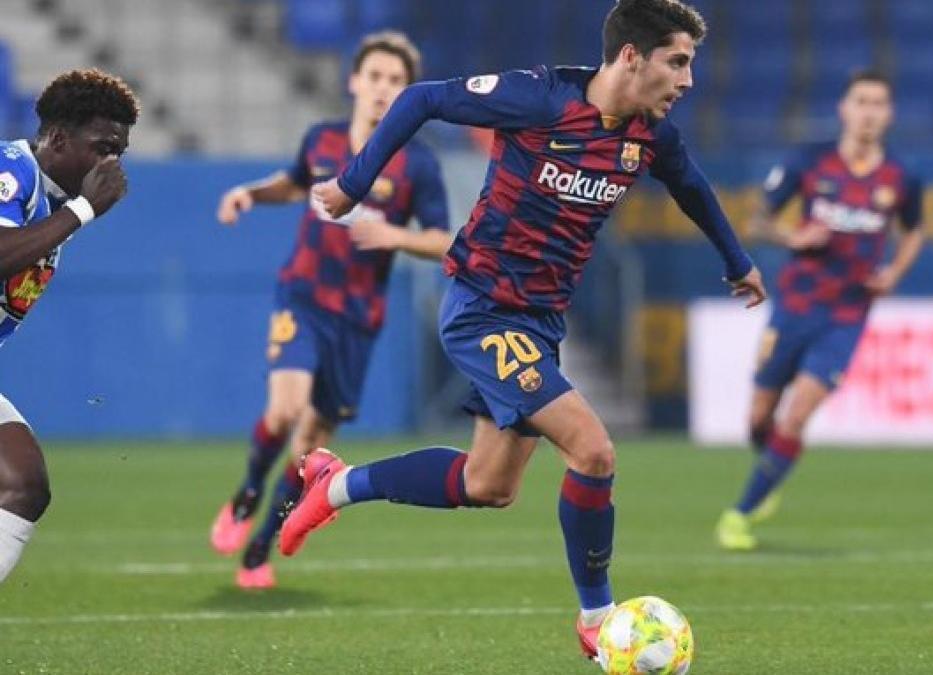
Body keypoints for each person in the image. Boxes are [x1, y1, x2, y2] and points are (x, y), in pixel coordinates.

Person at [281, 0, 766, 660]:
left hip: (539, 321)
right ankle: (596, 614)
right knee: (594, 451)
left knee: (489, 485)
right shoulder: (538, 99)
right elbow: (422, 99)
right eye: (677, 62)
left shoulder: (651, 135)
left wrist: (737, 262)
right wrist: (352, 181)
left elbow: (693, 188)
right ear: (632, 57)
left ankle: (334, 483)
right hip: (482, 307)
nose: (687, 81)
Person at [207, 32, 452, 590]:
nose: (383, 89)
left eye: (396, 80)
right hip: (304, 294)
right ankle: (246, 493)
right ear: (354, 82)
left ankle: (259, 551)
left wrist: (392, 233)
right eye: (375, 77)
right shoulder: (322, 139)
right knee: (284, 410)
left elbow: (442, 240)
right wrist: (249, 193)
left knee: (309, 447)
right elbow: (293, 185)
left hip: (358, 319)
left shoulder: (417, 165)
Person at [715, 70, 925, 551]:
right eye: (861, 101)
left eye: (878, 103)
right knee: (758, 419)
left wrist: (894, 273)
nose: (869, 111)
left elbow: (914, 230)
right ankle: (769, 472)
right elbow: (758, 219)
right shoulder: (810, 162)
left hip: (847, 316)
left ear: (888, 114)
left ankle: (740, 512)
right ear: (844, 109)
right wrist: (794, 237)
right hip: (794, 305)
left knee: (797, 415)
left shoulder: (901, 178)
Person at [0, 68, 138, 582]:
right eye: (104, 147)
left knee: (23, 483)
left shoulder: (55, 201)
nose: (113, 164)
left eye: (120, 152)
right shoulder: (11, 169)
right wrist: (83, 210)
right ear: (58, 138)